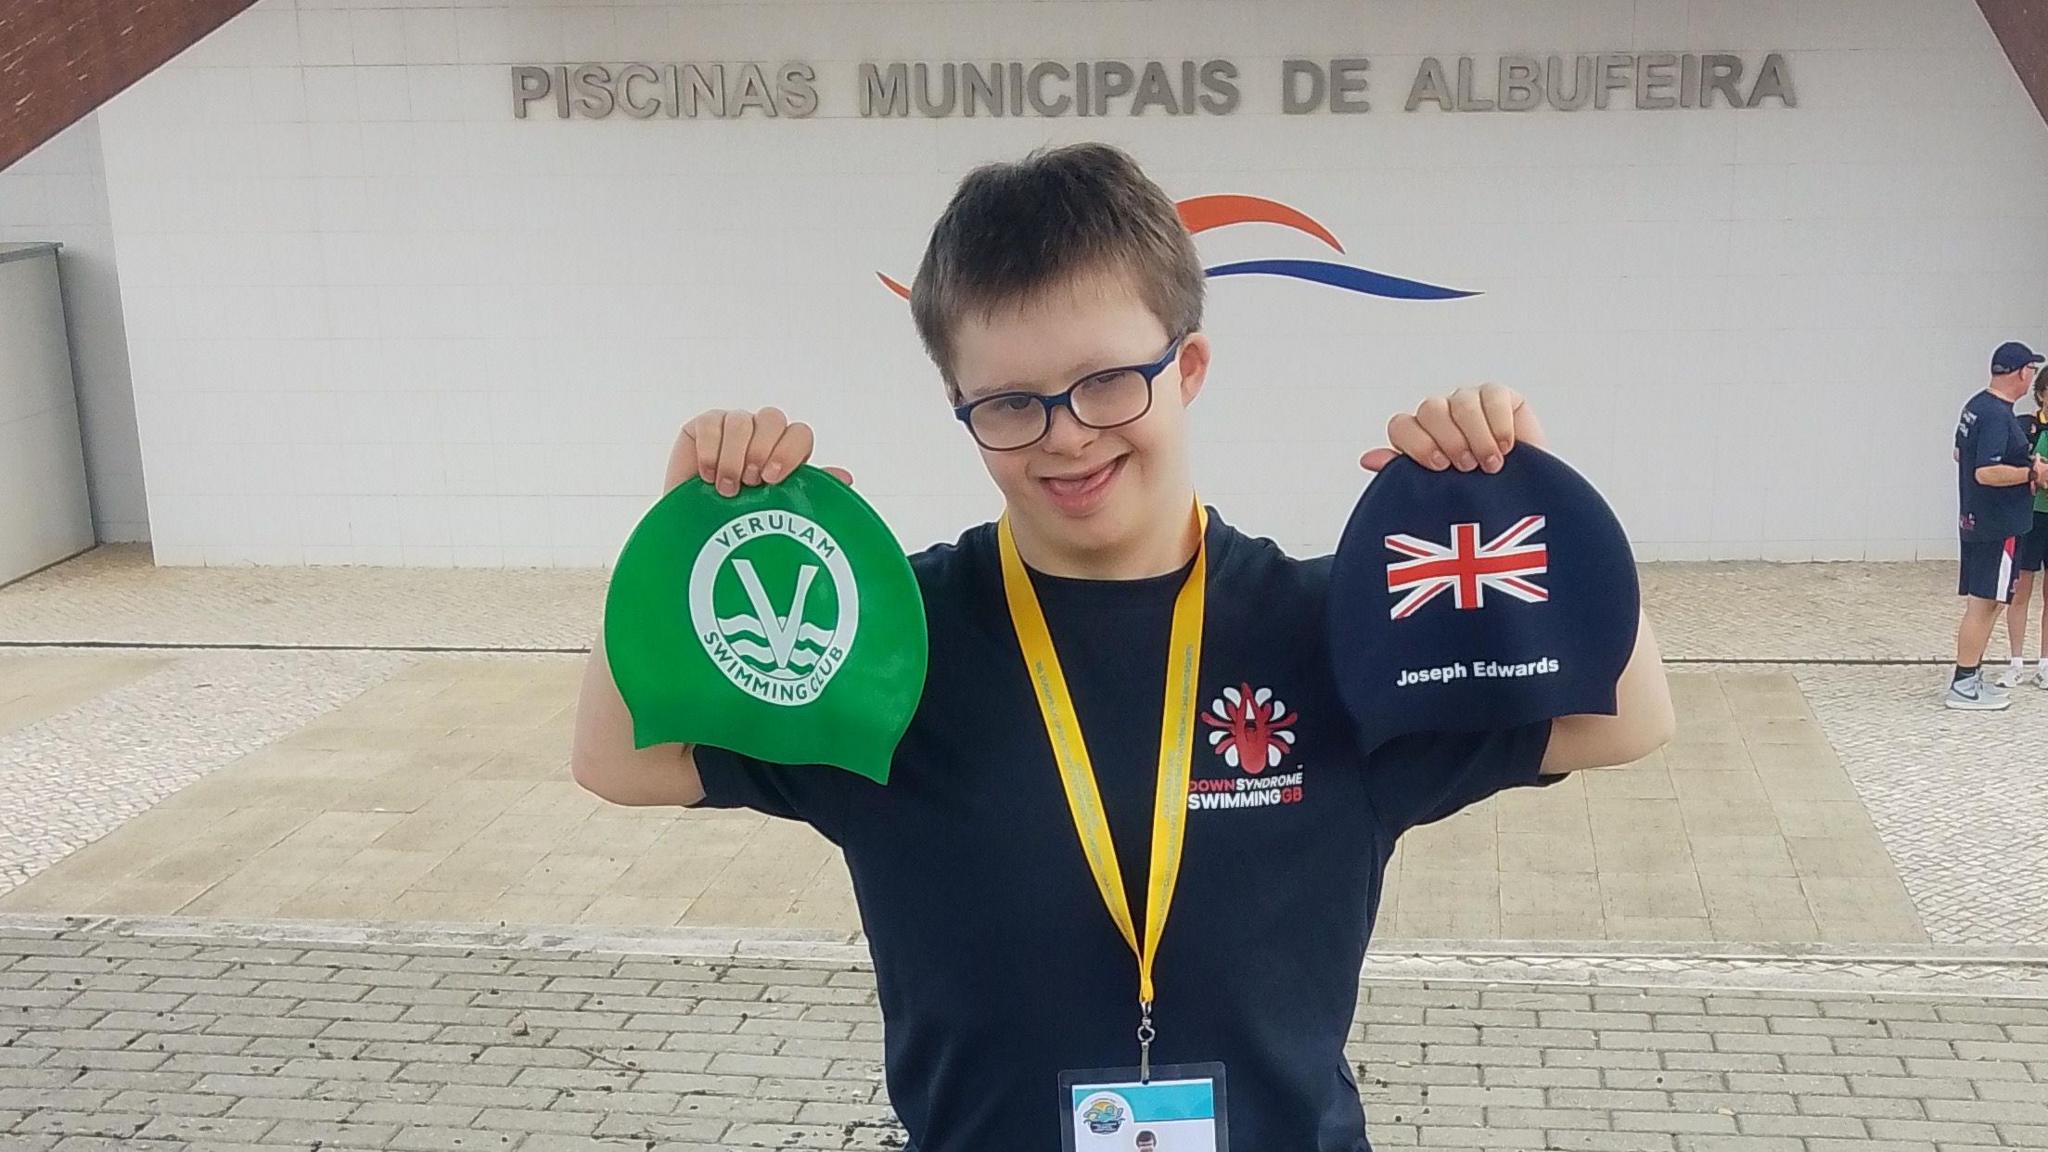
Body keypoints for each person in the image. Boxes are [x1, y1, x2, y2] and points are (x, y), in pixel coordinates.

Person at [570, 144, 1675, 1151]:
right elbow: (620, 762)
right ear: (958, 404)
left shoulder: (1323, 630)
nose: (1065, 433)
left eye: (1107, 382)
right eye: (1009, 403)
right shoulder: (892, 643)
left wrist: (1532, 500)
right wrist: (680, 542)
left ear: (1186, 367)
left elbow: (1621, 719)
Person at [1949, 341, 2048, 709]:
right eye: (2032, 371)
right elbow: (1985, 470)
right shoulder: (1997, 414)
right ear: (2022, 372)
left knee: (1987, 601)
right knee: (1986, 603)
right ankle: (1963, 685)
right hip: (1998, 524)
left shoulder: (1976, 406)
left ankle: (1971, 676)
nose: (2031, 378)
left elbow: (1960, 452)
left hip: (1977, 519)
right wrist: (2031, 474)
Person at [1997, 368, 2048, 689]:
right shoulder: (2023, 427)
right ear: (2041, 394)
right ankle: (2016, 662)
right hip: (2028, 519)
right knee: (2019, 592)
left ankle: (2045, 662)